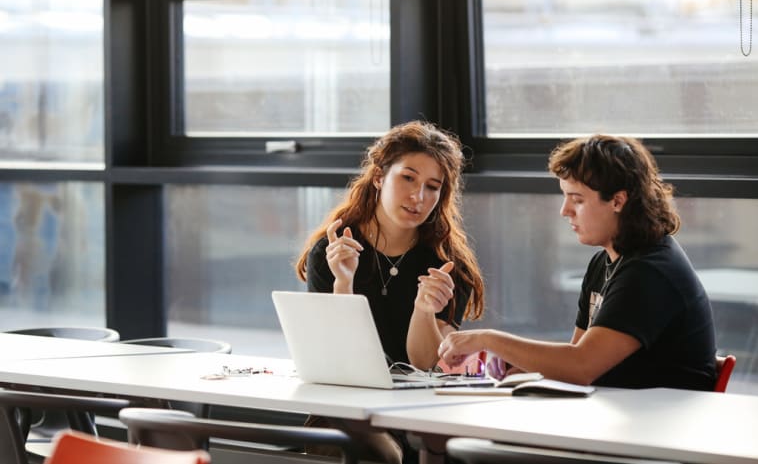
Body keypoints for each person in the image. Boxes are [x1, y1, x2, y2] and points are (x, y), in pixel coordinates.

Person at [438, 134, 717, 391]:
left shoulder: (650, 271)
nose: (565, 210)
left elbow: (581, 366)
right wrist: (520, 363)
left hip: (657, 432)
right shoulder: (604, 262)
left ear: (618, 201)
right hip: (620, 419)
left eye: (577, 200)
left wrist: (488, 339)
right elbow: (574, 359)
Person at [294, 120, 485, 464]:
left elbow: (424, 363)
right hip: (347, 404)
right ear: (380, 177)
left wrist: (425, 309)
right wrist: (343, 284)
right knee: (370, 451)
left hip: (419, 407)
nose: (418, 196)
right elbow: (333, 355)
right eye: (407, 178)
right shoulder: (334, 249)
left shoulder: (446, 263)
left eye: (432, 186)